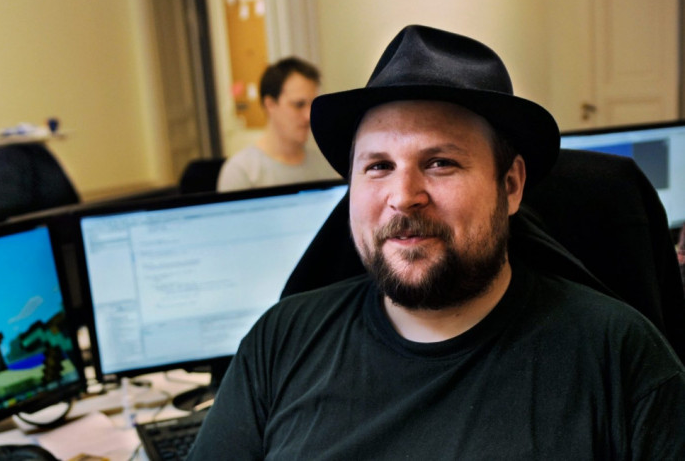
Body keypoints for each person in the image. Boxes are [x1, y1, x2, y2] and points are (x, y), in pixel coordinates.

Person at [188, 25, 685, 459]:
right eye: (378, 166)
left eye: (441, 163)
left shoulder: (620, 357)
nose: (403, 197)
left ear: (510, 186)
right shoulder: (280, 342)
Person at [216, 57, 339, 191]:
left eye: (313, 104)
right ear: (270, 105)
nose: (308, 115)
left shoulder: (325, 166)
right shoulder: (242, 173)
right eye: (298, 105)